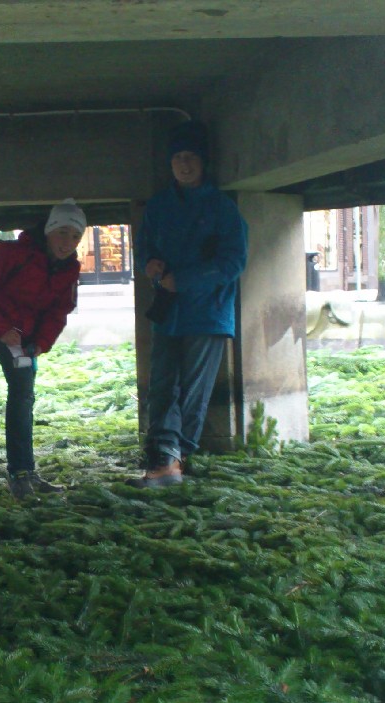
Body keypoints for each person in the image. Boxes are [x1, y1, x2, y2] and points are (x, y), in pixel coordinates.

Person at [126, 120, 248, 488]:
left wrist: (186, 280)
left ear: (203, 161)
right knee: (162, 383)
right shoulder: (160, 206)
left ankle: (173, 457)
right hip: (170, 310)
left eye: (190, 157)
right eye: (177, 157)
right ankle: (164, 458)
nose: (183, 164)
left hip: (206, 313)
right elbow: (146, 246)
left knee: (192, 388)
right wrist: (152, 265)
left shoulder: (222, 208)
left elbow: (233, 263)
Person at [0, 199, 87, 499]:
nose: (67, 242)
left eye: (75, 237)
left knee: (24, 393)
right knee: (22, 392)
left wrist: (41, 343)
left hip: (28, 337)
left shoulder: (69, 269)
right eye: (62, 233)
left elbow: (60, 310)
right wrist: (1, 328)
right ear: (48, 230)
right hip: (4, 329)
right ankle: (20, 473)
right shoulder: (9, 254)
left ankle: (25, 471)